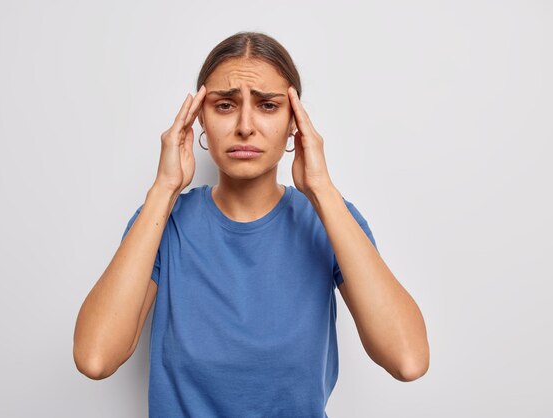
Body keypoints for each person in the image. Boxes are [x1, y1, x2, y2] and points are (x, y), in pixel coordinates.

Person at [73, 31, 429, 417]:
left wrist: (322, 189)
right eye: (224, 105)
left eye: (268, 106)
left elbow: (407, 361)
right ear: (199, 121)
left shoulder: (329, 220)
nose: (245, 125)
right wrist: (164, 188)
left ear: (296, 121)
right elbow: (96, 358)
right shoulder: (163, 222)